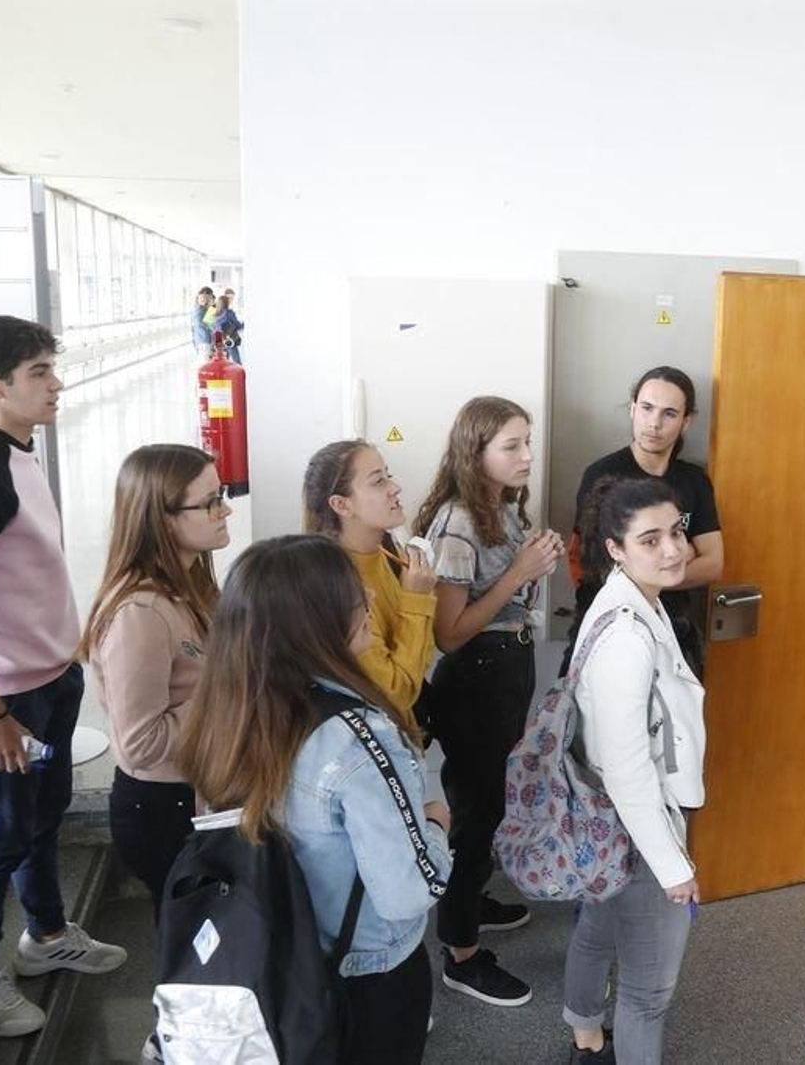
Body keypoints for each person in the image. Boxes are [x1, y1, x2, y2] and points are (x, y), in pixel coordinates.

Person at [0, 314, 126, 1038]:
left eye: (51, 368)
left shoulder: (15, 452)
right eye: (39, 372)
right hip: (4, 696)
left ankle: (43, 934)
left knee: (42, 820)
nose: (56, 383)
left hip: (45, 679)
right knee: (1, 835)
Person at [176, 536, 451, 1064]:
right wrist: (435, 827)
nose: (371, 604)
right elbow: (406, 892)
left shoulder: (224, 713)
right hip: (363, 972)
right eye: (356, 599)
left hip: (267, 955)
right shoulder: (356, 737)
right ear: (318, 625)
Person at [412, 396, 562, 1007]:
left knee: (487, 806)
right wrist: (521, 570)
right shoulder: (458, 521)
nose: (527, 456)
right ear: (476, 453)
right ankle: (460, 952)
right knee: (477, 816)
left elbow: (504, 602)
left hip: (505, 670)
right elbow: (449, 632)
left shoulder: (500, 506)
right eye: (512, 446)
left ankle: (467, 901)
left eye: (528, 442)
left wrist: (532, 565)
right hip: (476, 677)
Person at [563, 476, 707, 1065]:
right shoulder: (627, 634)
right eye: (650, 539)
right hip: (636, 822)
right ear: (615, 549)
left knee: (598, 928)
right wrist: (672, 865)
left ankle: (585, 1035)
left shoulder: (632, 596)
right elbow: (627, 768)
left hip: (605, 817)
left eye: (676, 531)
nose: (672, 549)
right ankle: (594, 1038)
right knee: (649, 993)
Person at [81, 445, 229, 914]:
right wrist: (234, 692)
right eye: (209, 502)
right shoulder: (139, 614)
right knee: (191, 952)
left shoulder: (192, 585)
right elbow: (142, 742)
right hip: (164, 808)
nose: (225, 509)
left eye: (220, 494)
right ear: (163, 519)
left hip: (197, 791)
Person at [566, 367, 722, 678]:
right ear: (633, 409)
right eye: (647, 408)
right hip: (611, 626)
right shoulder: (602, 476)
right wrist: (685, 554)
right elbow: (593, 567)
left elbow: (715, 564)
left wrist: (646, 567)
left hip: (674, 629)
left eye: (669, 414)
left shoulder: (693, 480)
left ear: (685, 422)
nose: (654, 423)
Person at [302, 439, 436, 727]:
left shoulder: (390, 553)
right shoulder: (335, 585)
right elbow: (393, 694)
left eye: (388, 475)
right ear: (341, 504)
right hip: (370, 745)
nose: (394, 488)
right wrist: (416, 601)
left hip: (403, 738)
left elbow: (423, 656)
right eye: (378, 481)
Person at [210, 292, 243, 364]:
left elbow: (211, 326)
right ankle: (239, 374)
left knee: (223, 360)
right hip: (229, 339)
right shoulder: (229, 312)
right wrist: (242, 324)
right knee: (236, 360)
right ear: (227, 303)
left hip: (218, 340)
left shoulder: (214, 314)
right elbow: (237, 324)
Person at [190, 287, 214, 357]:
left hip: (200, 341)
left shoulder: (196, 309)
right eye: (210, 297)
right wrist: (212, 308)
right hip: (204, 342)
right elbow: (211, 325)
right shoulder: (201, 310)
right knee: (205, 364)